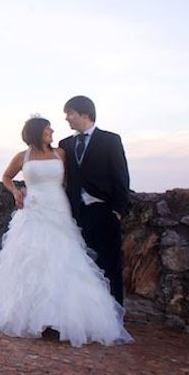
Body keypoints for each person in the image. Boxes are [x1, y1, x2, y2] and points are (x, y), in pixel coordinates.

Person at [0, 117, 132, 347]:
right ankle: (33, 316)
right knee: (31, 262)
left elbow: (74, 181)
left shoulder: (61, 153)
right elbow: (6, 177)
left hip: (58, 209)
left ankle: (59, 318)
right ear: (37, 132)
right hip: (33, 210)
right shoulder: (22, 157)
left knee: (62, 261)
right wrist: (16, 191)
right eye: (48, 128)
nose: (52, 130)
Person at [59, 95, 130, 305]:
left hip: (104, 211)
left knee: (110, 265)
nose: (67, 119)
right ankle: (87, 312)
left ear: (85, 114)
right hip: (75, 214)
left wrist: (118, 211)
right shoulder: (65, 144)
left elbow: (121, 176)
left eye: (70, 114)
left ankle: (115, 314)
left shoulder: (110, 140)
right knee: (81, 266)